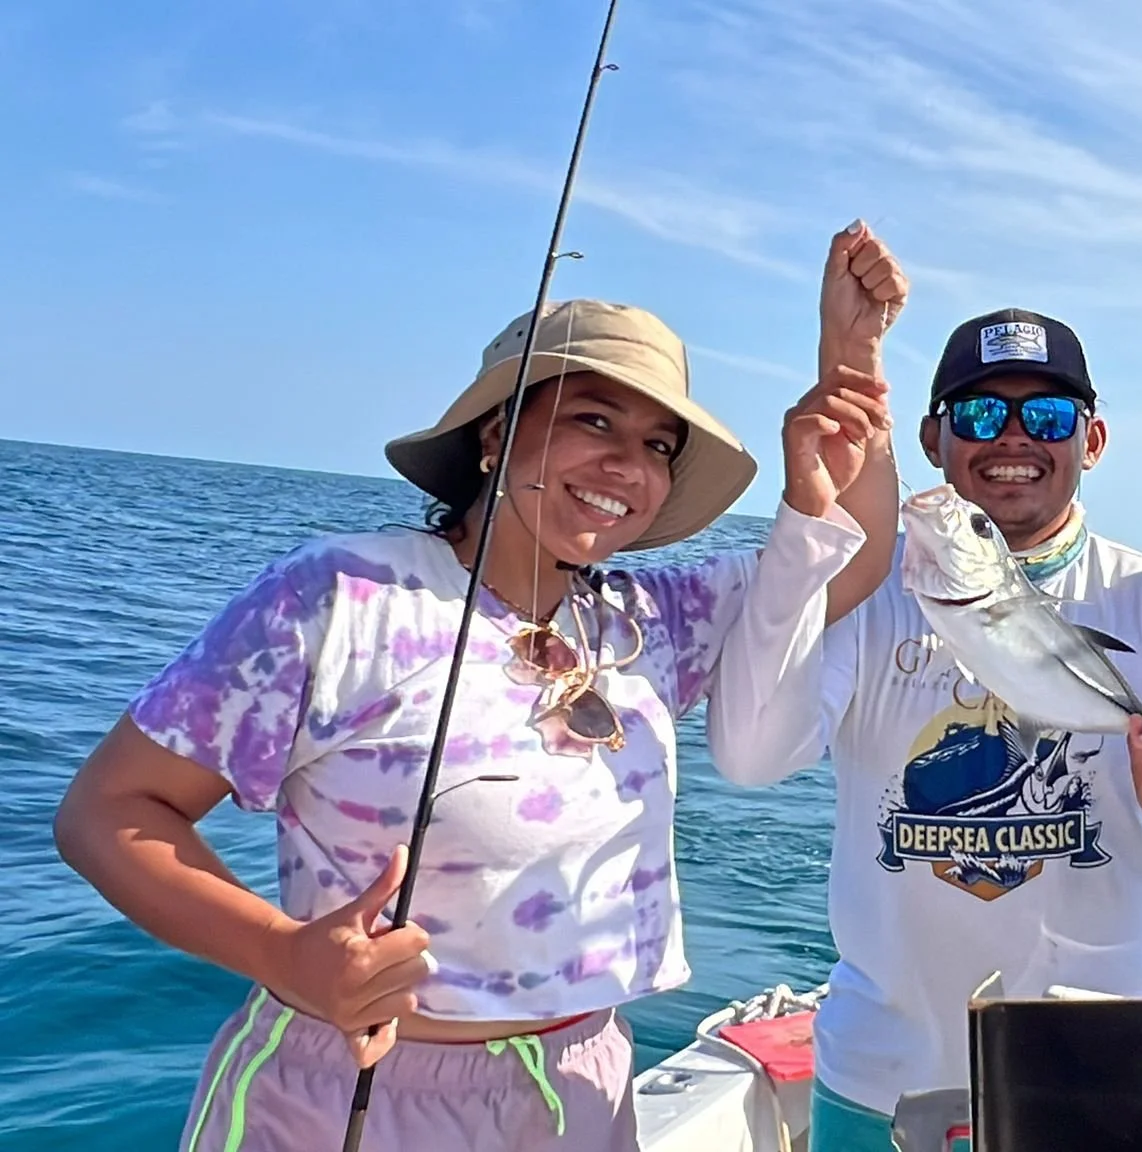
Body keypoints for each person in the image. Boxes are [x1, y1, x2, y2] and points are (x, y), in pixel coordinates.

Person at [50, 221, 912, 1152]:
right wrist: (283, 955)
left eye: (660, 445)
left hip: (586, 1085)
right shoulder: (345, 594)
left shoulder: (652, 619)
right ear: (496, 438)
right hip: (354, 1086)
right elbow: (110, 811)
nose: (629, 464)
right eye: (593, 420)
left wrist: (852, 362)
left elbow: (846, 565)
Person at [708, 306, 1142, 1151]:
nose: (1012, 438)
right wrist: (808, 528)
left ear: (1094, 439)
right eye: (978, 414)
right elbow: (752, 759)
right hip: (877, 1084)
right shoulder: (867, 593)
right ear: (933, 439)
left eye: (1046, 415)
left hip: (1108, 1077)